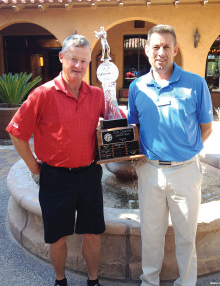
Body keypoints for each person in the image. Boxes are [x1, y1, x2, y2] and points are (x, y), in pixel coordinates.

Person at [6, 34, 106, 286]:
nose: (79, 66)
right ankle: (60, 281)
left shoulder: (96, 95)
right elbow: (16, 133)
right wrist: (33, 167)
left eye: (84, 61)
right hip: (55, 177)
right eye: (74, 59)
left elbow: (115, 126)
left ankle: (93, 281)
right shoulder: (42, 94)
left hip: (89, 175)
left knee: (93, 235)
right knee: (57, 238)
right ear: (61, 57)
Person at [127, 24, 213, 286]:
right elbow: (134, 129)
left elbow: (206, 128)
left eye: (166, 46)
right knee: (151, 234)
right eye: (155, 47)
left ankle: (186, 282)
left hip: (185, 171)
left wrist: (183, 152)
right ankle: (149, 281)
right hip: (150, 170)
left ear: (175, 49)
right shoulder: (137, 88)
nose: (161, 52)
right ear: (147, 50)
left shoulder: (196, 84)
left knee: (186, 235)